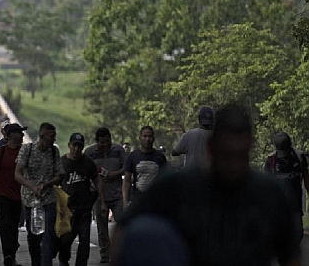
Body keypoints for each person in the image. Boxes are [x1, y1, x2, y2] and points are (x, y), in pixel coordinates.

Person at [112, 104, 302, 266]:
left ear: (249, 147)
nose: (234, 166)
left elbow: (290, 256)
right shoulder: (176, 187)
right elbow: (124, 228)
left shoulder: (270, 194)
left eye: (240, 156)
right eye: (227, 156)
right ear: (211, 147)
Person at [14, 122, 65, 266]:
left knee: (49, 234)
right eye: (51, 136)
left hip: (48, 198)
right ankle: (36, 262)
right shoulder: (27, 150)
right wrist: (33, 187)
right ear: (42, 136)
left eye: (54, 136)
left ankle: (46, 263)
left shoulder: (54, 151)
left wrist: (46, 184)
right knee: (33, 236)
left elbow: (59, 175)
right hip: (30, 200)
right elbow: (17, 174)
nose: (54, 139)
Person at [0, 123, 26, 266]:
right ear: (11, 135)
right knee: (5, 223)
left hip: (18, 195)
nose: (22, 135)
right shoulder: (0, 152)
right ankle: (7, 255)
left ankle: (11, 256)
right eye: (20, 133)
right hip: (2, 194)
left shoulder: (23, 152)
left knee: (14, 226)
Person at [58, 133, 103, 266]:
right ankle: (63, 260)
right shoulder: (62, 162)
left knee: (84, 240)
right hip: (68, 208)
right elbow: (55, 183)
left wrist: (102, 201)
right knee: (66, 238)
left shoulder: (88, 162)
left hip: (84, 208)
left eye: (80, 146)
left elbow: (97, 180)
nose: (76, 149)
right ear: (69, 146)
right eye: (74, 146)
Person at [83, 127, 126, 264]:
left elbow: (127, 167)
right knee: (102, 229)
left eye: (108, 141)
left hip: (117, 194)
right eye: (102, 142)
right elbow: (85, 171)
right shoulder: (89, 153)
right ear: (97, 142)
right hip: (98, 196)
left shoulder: (119, 150)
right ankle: (105, 255)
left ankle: (122, 252)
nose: (105, 145)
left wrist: (116, 173)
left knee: (122, 225)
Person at [263, 131, 309, 243]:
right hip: (278, 208)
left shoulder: (299, 157)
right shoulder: (271, 161)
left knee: (298, 234)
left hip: (296, 207)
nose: (284, 158)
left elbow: (306, 178)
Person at [122, 126, 167, 208]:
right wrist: (125, 202)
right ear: (140, 138)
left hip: (156, 201)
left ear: (153, 139)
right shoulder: (132, 156)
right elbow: (127, 181)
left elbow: (164, 180)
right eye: (145, 136)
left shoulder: (160, 157)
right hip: (137, 200)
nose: (147, 139)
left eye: (150, 136)